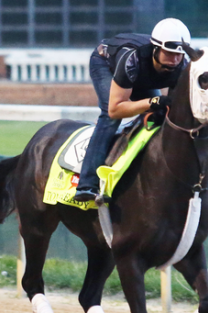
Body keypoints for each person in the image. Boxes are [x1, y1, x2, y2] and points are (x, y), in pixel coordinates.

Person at [74, 18, 192, 202]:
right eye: (169, 53)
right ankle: (86, 184)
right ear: (156, 49)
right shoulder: (132, 60)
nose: (175, 60)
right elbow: (116, 109)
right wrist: (152, 101)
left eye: (179, 54)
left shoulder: (183, 66)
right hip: (106, 63)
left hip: (141, 75)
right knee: (109, 116)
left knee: (160, 115)